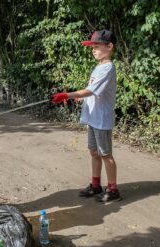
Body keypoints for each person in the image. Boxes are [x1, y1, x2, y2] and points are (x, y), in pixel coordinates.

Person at [51, 29, 121, 203]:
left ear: (109, 46)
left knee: (106, 154)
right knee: (94, 152)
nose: (93, 49)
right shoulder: (99, 67)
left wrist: (67, 95)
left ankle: (113, 189)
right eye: (92, 46)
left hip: (102, 119)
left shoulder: (108, 68)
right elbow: (93, 93)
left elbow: (90, 91)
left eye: (97, 46)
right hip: (92, 117)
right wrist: (78, 98)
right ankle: (96, 185)